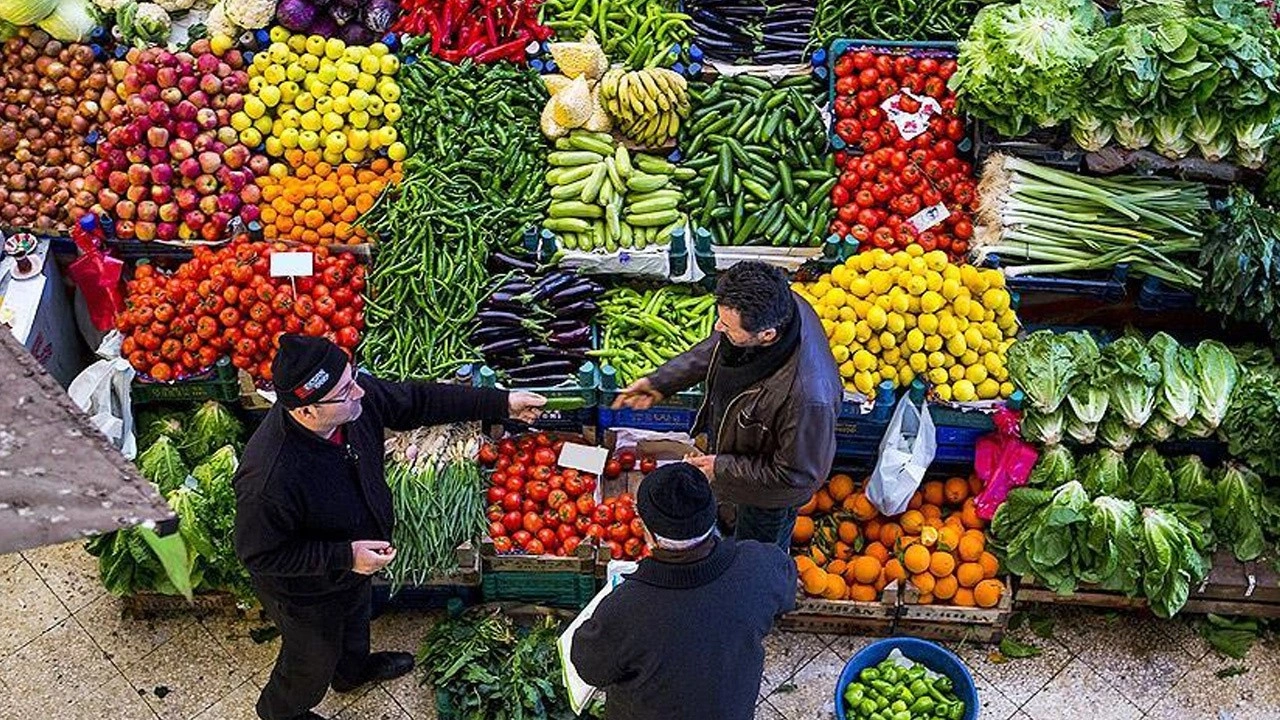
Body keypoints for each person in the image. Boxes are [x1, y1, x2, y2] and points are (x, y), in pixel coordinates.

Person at [233, 334, 546, 720]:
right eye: (345, 391)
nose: (359, 393)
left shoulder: (350, 405)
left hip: (355, 565)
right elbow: (259, 554)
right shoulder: (268, 478)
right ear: (307, 411)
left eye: (352, 378)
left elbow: (417, 401)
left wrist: (501, 403)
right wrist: (345, 555)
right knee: (311, 658)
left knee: (355, 623)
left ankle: (353, 672)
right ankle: (281, 711)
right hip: (306, 592)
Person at [612, 261, 842, 548]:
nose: (718, 327)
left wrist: (720, 467)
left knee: (755, 553)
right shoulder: (779, 305)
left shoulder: (808, 399)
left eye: (728, 326)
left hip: (768, 498)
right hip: (741, 455)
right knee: (730, 522)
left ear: (767, 335)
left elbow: (796, 475)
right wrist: (662, 382)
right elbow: (721, 345)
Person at [570, 462, 797, 720]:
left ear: (648, 533)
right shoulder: (762, 565)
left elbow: (590, 669)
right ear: (713, 515)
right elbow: (786, 595)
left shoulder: (625, 609)